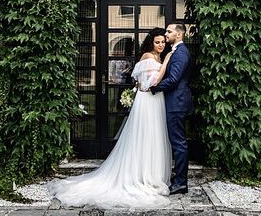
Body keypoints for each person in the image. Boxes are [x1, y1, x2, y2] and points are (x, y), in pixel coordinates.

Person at [48, 28, 173, 209]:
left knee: (154, 137)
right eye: (157, 42)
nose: (161, 45)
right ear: (151, 43)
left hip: (155, 101)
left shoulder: (157, 57)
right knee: (145, 136)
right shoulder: (148, 57)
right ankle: (143, 175)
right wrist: (166, 63)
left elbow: (140, 83)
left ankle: (153, 174)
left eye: (163, 42)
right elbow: (149, 84)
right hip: (148, 101)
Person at [150, 23, 193, 195]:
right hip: (175, 102)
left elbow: (174, 79)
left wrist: (154, 87)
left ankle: (181, 182)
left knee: (179, 143)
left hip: (177, 103)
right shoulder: (175, 51)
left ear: (179, 34)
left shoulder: (181, 53)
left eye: (169, 31)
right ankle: (178, 178)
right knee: (177, 142)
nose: (166, 34)